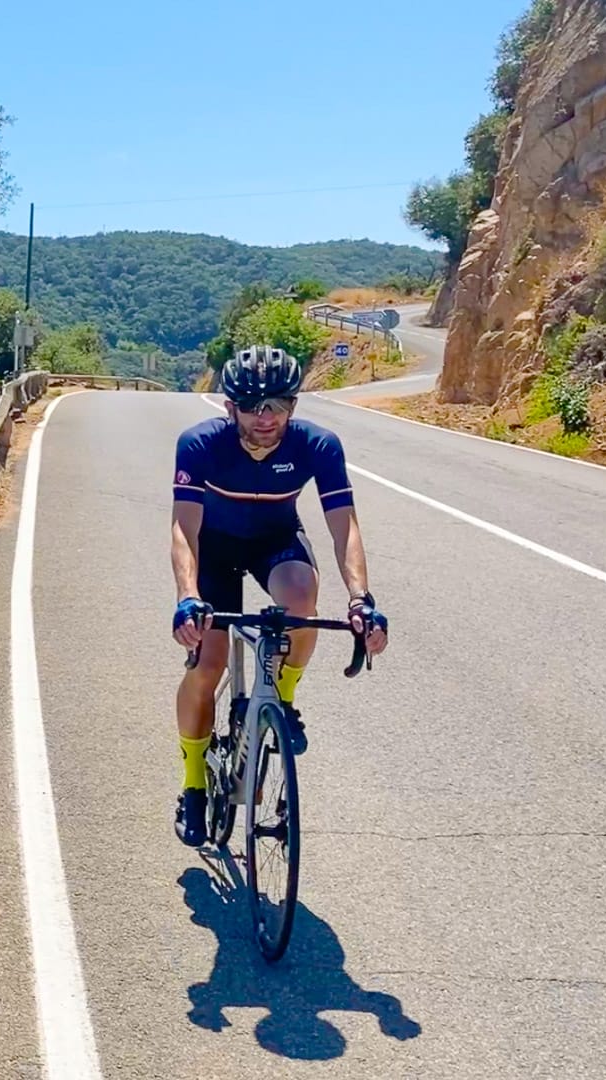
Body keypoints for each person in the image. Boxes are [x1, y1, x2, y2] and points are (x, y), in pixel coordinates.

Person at [169, 346, 389, 847]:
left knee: (301, 598)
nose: (264, 418)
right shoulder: (199, 445)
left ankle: (282, 700)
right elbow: (184, 528)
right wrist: (188, 595)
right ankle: (195, 786)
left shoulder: (319, 446)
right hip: (215, 552)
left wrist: (361, 598)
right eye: (251, 406)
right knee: (209, 665)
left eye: (276, 405)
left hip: (276, 541)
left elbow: (344, 526)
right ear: (230, 407)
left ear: (293, 406)